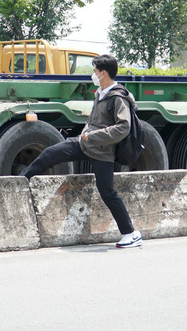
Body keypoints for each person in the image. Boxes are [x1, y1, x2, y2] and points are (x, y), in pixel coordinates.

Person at [20, 54, 142, 249]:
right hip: (85, 144)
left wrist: (93, 136)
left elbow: (123, 128)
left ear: (103, 73)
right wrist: (86, 133)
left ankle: (131, 233)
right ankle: (22, 180)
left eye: (94, 71)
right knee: (52, 153)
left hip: (102, 151)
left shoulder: (118, 97)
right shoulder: (100, 93)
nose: (93, 74)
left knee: (107, 191)